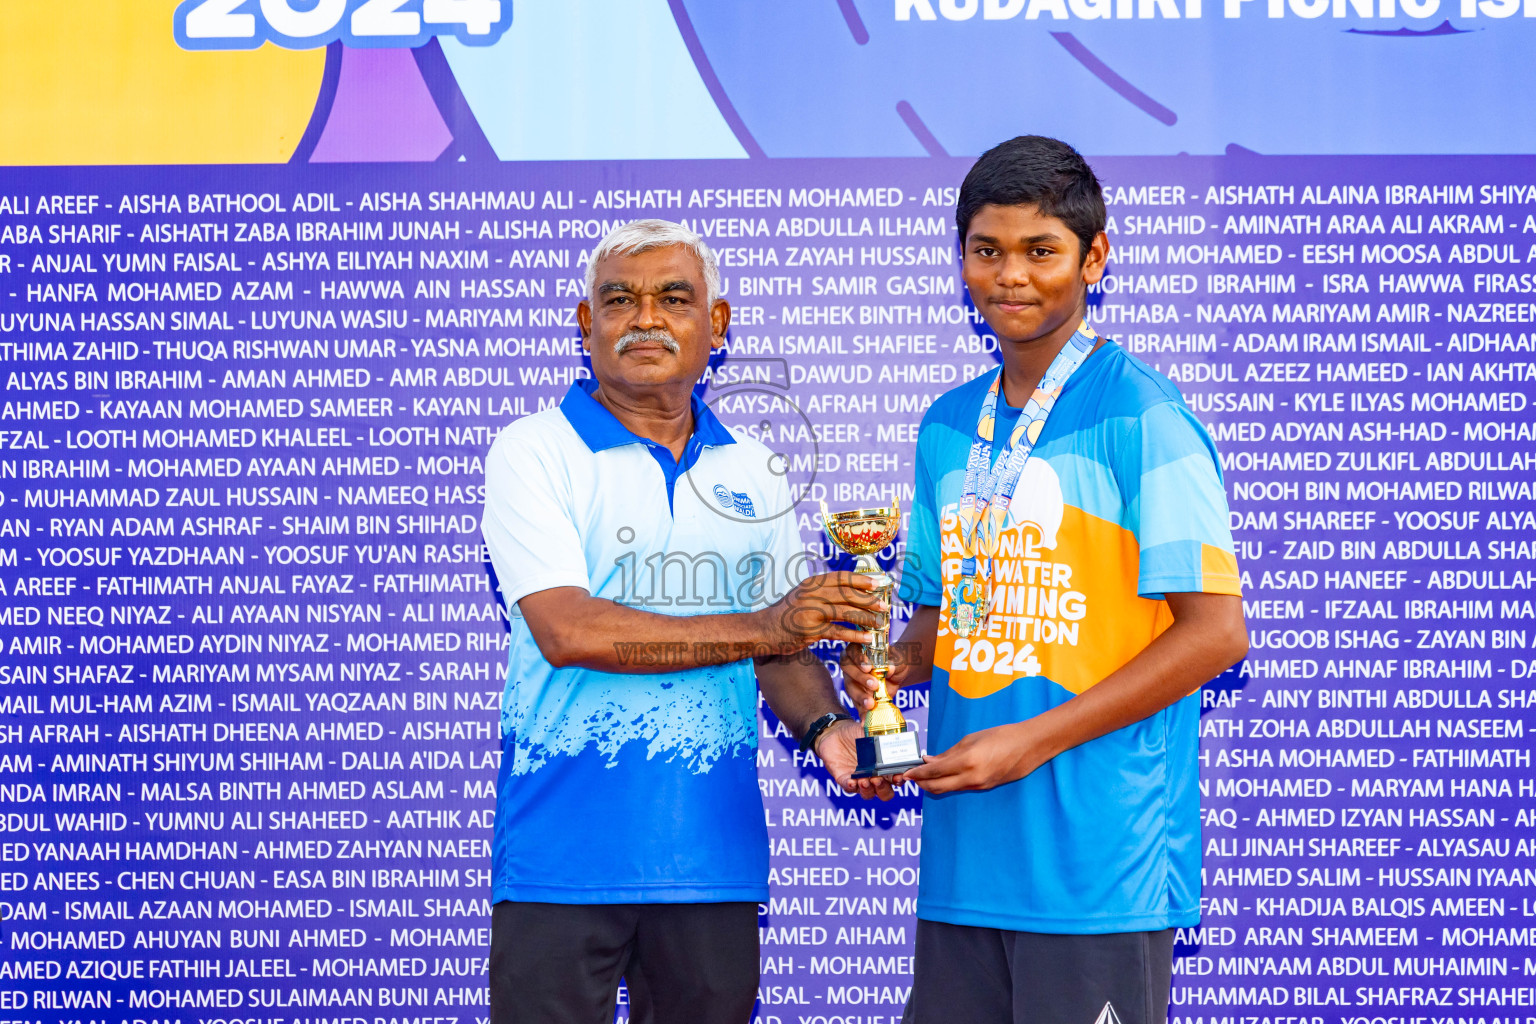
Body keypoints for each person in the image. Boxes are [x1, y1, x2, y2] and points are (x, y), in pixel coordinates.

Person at [842, 137, 1249, 1024]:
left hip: (1099, 862)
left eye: (1041, 251)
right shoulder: (947, 423)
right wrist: (887, 668)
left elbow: (1218, 633)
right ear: (961, 261)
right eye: (988, 250)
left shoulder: (1144, 413)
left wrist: (1034, 739)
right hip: (966, 858)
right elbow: (940, 624)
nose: (1011, 276)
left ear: (1094, 258)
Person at [481, 218, 888, 1024]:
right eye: (619, 299)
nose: (645, 318)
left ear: (718, 324)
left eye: (674, 297)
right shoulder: (532, 451)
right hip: (562, 860)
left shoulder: (755, 471)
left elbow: (780, 651)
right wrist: (770, 627)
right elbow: (571, 631)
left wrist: (829, 727)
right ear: (583, 323)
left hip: (712, 861)